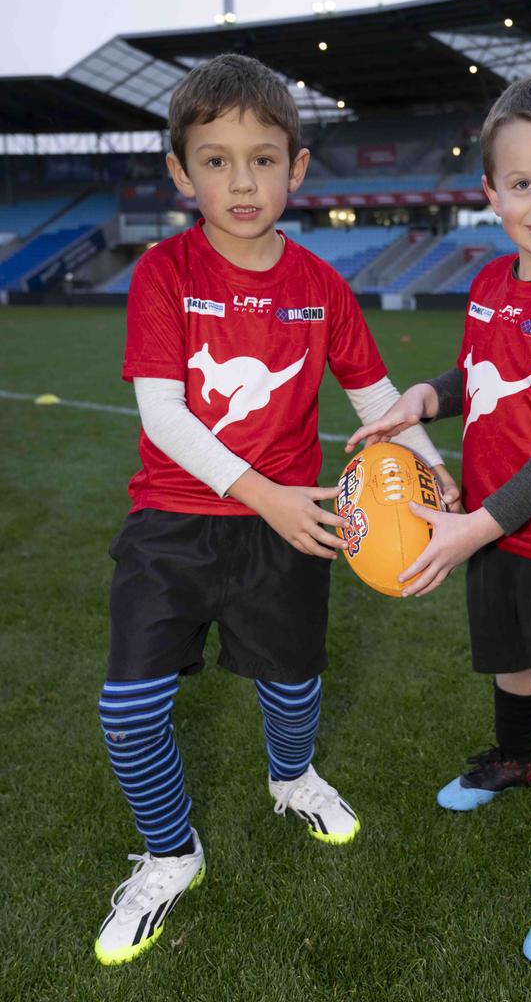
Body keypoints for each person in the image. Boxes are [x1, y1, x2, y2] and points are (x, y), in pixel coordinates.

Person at [95, 53, 458, 967]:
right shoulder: (163, 275)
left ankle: (291, 779)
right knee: (128, 710)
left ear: (298, 168)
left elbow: (378, 403)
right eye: (215, 160)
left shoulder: (323, 288)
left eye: (263, 158)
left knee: (291, 680)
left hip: (290, 524)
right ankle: (172, 856)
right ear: (181, 172)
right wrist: (261, 493)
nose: (241, 180)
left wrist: (433, 473)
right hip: (175, 526)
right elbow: (163, 414)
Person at [347, 73, 531, 968]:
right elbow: (479, 368)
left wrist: (475, 526)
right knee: (509, 664)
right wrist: (424, 397)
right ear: (490, 194)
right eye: (523, 184)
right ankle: (512, 761)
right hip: (488, 528)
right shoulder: (488, 280)